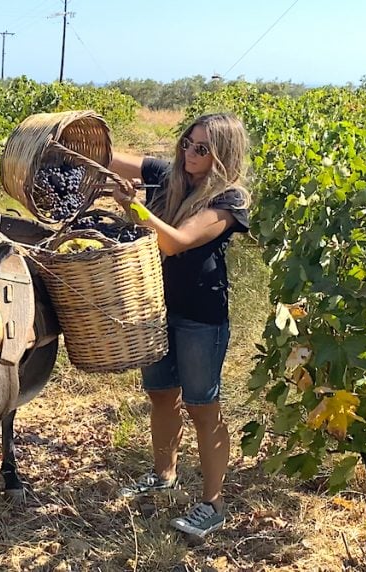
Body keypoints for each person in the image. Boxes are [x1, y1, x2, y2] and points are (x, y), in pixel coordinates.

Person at [109, 113, 251, 539]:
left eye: (202, 149)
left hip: (199, 317)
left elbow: (176, 242)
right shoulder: (169, 175)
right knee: (161, 396)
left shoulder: (230, 200)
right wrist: (62, 143)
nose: (190, 153)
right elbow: (108, 158)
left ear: (223, 154)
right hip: (155, 308)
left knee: (203, 407)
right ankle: (163, 474)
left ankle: (213, 503)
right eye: (188, 143)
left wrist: (132, 208)